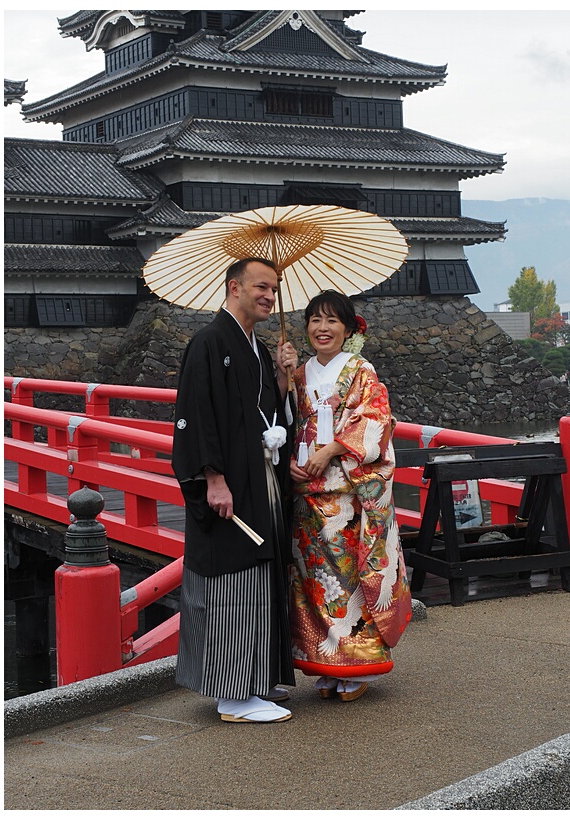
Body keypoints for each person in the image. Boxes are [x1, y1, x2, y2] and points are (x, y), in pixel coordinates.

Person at [172, 257, 298, 723]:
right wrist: (213, 478)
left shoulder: (258, 349)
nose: (269, 296)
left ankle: (255, 679)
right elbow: (195, 414)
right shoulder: (208, 342)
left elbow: (270, 415)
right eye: (261, 286)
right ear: (234, 288)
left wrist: (284, 379)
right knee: (232, 578)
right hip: (229, 484)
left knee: (261, 574)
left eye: (274, 289)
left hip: (259, 477)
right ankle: (232, 697)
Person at [289, 290, 412, 702]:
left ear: (348, 328)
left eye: (331, 321)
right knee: (313, 581)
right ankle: (326, 663)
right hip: (306, 487)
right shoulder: (299, 372)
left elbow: (377, 419)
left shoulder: (361, 370)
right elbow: (287, 421)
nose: (322, 329)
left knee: (348, 575)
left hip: (348, 490)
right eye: (314, 321)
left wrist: (330, 449)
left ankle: (357, 663)